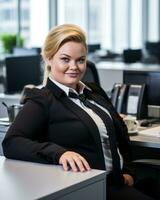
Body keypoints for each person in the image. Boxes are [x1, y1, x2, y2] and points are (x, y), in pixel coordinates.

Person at [2, 24, 156, 200]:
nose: (74, 66)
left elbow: (119, 134)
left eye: (80, 60)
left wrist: (129, 171)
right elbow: (11, 142)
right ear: (49, 59)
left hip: (118, 182)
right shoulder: (43, 99)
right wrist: (60, 153)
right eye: (65, 59)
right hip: (91, 187)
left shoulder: (93, 91)